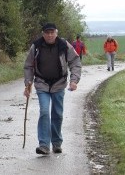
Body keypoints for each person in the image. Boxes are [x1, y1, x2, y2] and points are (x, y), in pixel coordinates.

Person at [24, 23, 81, 155]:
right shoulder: (36, 46)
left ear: (56, 33)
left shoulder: (64, 45)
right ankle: (44, 144)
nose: (50, 35)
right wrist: (28, 84)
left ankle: (56, 143)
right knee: (44, 111)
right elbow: (28, 66)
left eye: (52, 32)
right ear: (43, 34)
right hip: (42, 83)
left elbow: (75, 62)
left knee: (57, 113)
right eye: (47, 33)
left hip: (59, 83)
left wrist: (74, 80)